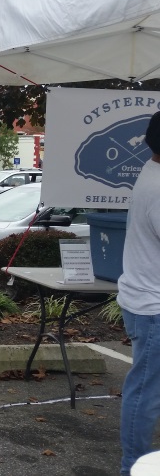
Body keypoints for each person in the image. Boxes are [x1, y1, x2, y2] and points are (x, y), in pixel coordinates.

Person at [117, 111, 160, 475]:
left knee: (147, 388)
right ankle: (133, 465)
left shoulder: (151, 171)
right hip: (153, 307)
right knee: (146, 392)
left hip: (144, 300)